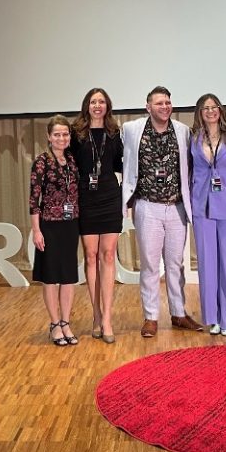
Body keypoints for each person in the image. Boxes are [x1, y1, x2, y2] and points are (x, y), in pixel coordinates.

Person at [122, 86, 202, 337]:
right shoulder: (131, 130)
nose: (165, 107)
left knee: (175, 264)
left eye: (167, 102)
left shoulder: (183, 131)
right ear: (148, 107)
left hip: (177, 207)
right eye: (159, 103)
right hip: (147, 207)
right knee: (149, 265)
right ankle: (151, 317)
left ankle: (178, 313)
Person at [190, 93, 226, 336]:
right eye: (205, 108)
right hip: (202, 205)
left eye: (214, 107)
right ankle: (212, 318)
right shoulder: (193, 138)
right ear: (200, 113)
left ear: (221, 110)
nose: (211, 111)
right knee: (206, 264)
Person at [70, 88, 123, 344]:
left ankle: (108, 319)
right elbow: (70, 165)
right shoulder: (76, 133)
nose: (97, 105)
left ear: (107, 106)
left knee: (108, 255)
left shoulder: (114, 133)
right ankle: (95, 314)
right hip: (86, 198)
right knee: (90, 256)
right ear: (86, 106)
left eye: (102, 101)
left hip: (110, 196)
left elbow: (121, 164)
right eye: (93, 101)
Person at [29, 115, 80, 346]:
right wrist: (36, 231)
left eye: (65, 134)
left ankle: (66, 322)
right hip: (48, 226)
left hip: (70, 224)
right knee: (51, 278)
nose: (62, 138)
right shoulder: (41, 162)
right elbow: (34, 199)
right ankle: (54, 323)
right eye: (57, 134)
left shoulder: (72, 160)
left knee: (68, 276)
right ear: (49, 137)